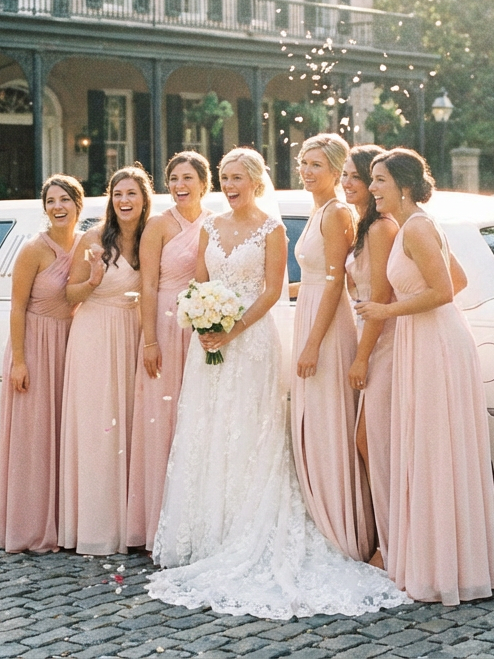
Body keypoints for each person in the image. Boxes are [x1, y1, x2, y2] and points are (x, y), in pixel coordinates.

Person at [148, 148, 409, 620]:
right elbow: (200, 283)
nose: (230, 186)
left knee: (253, 431)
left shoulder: (274, 228)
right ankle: (214, 531)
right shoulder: (209, 225)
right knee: (209, 430)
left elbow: (272, 291)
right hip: (209, 341)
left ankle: (267, 525)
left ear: (255, 180)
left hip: (252, 341)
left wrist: (231, 328)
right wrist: (203, 321)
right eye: (224, 178)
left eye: (238, 177)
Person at [357, 148, 494, 605]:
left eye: (379, 180)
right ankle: (436, 558)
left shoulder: (418, 227)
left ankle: (443, 568)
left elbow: (444, 291)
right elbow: (456, 280)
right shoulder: (414, 226)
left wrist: (387, 309)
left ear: (402, 185)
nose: (373, 189)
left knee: (435, 449)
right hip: (428, 339)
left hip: (435, 343)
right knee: (430, 447)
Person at [59, 166, 151, 556]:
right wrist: (94, 278)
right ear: (110, 200)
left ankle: (132, 524)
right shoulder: (94, 238)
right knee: (99, 426)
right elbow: (69, 294)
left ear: (145, 198)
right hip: (95, 334)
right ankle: (97, 527)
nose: (124, 201)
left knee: (130, 424)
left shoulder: (152, 236)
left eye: (132, 194)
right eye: (118, 195)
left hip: (134, 333)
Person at [290, 134, 373, 562]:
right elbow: (314, 275)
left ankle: (342, 530)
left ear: (337, 171)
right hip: (311, 313)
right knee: (312, 424)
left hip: (327, 327)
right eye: (303, 163)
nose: (306, 171)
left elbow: (334, 281)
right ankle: (324, 519)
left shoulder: (336, 211)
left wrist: (311, 344)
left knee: (327, 423)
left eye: (316, 165)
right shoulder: (316, 210)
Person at [127, 152, 213, 551]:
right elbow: (147, 285)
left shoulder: (216, 222)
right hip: (163, 324)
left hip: (203, 329)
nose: (180, 185)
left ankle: (195, 521)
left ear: (203, 181)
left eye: (188, 177)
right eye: (174, 178)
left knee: (196, 420)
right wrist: (149, 339)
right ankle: (155, 522)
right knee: (160, 419)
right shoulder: (159, 225)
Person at [0, 175, 84, 553]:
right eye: (51, 201)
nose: (58, 207)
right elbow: (16, 307)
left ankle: (66, 521)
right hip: (33, 344)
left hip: (71, 345)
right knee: (35, 438)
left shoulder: (87, 245)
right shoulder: (33, 249)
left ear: (79, 204)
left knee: (66, 435)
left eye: (65, 199)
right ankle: (31, 526)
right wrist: (19, 360)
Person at [341, 145, 399, 569]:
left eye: (354, 178)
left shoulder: (380, 228)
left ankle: (390, 546)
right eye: (344, 175)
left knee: (374, 442)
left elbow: (380, 295)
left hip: (385, 340)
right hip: (371, 332)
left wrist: (361, 358)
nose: (346, 183)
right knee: (370, 442)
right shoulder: (363, 226)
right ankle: (384, 538)